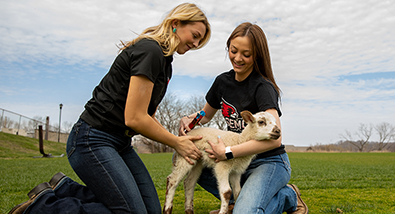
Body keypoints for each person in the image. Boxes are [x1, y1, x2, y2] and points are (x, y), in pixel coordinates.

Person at [9, 3, 211, 214]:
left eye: (200, 41)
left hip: (120, 143)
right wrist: (176, 143)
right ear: (176, 23)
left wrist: (178, 138)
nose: (196, 44)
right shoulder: (150, 51)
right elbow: (134, 118)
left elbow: (147, 117)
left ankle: (64, 188)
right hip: (92, 138)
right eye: (195, 35)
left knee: (151, 211)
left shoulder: (165, 63)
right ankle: (42, 206)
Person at [179, 22, 308, 214]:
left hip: (267, 161)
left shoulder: (263, 88)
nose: (237, 58)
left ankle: (287, 196)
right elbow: (206, 113)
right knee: (192, 161)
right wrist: (191, 119)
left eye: (246, 54)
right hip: (235, 160)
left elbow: (275, 139)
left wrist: (228, 152)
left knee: (246, 212)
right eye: (233, 51)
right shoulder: (222, 82)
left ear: (257, 56)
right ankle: (237, 200)